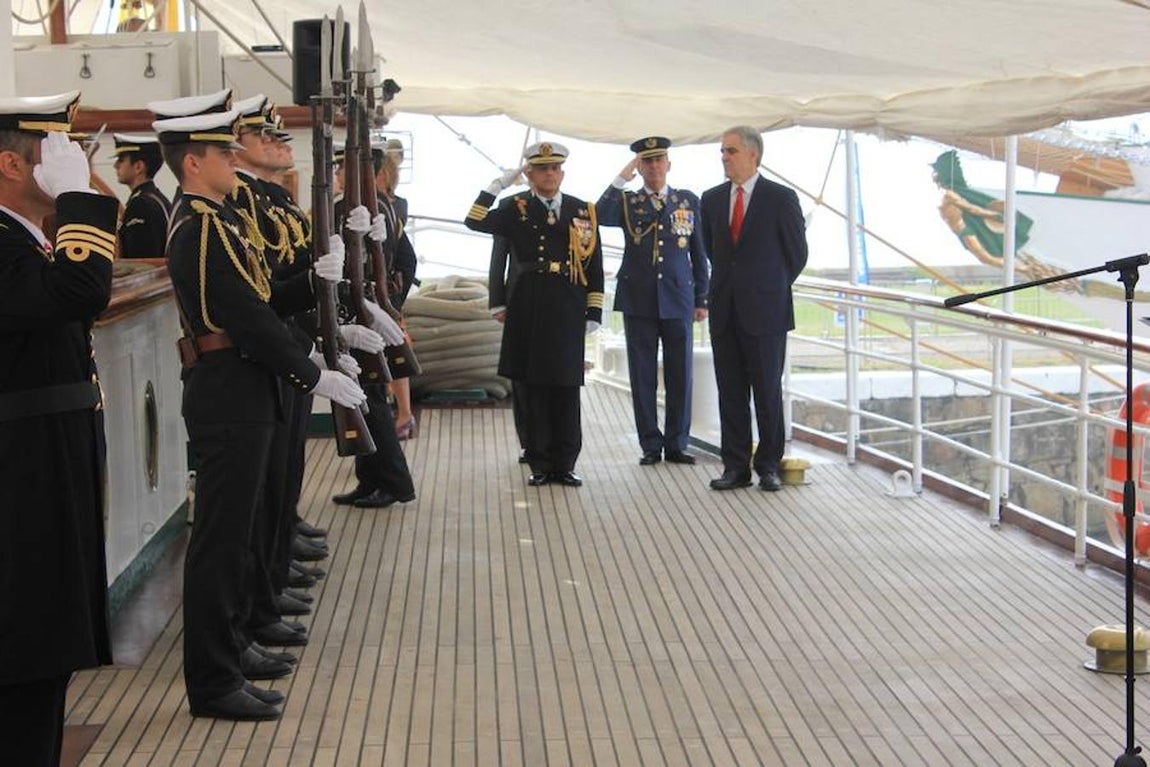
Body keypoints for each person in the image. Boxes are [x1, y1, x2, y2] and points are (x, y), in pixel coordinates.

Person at [158, 105, 366, 721]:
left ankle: (236, 643)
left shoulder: (220, 219)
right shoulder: (197, 226)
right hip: (228, 389)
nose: (235, 160)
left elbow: (265, 295)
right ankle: (213, 680)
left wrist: (312, 282)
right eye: (224, 154)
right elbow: (243, 318)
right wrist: (312, 369)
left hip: (248, 388)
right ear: (194, 162)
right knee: (221, 542)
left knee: (245, 530)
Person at [0, 91, 119, 767]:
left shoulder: (24, 240)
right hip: (17, 478)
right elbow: (78, 293)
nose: (72, 163)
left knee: (43, 659)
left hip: (40, 467)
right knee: (23, 657)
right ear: (13, 166)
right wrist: (80, 199)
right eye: (56, 152)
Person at [465, 141, 604, 486]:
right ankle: (539, 461)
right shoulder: (516, 207)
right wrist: (496, 186)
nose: (550, 174)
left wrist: (594, 310)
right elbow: (474, 220)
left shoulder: (582, 210)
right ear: (529, 174)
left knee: (566, 386)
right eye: (542, 169)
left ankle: (565, 461)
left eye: (555, 168)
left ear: (563, 172)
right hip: (528, 303)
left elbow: (594, 264)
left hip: (567, 304)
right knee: (533, 387)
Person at [700, 126, 808, 492]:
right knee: (730, 391)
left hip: (766, 312)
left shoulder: (780, 198)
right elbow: (713, 251)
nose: (724, 157)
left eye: (730, 151)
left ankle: (769, 466)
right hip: (725, 310)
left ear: (753, 155)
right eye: (722, 151)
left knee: (766, 391)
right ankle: (735, 467)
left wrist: (767, 286)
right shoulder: (711, 199)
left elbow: (797, 255)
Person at [597, 136, 709, 466]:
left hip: (678, 297)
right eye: (647, 161)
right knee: (642, 374)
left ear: (668, 164)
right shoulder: (629, 202)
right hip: (639, 299)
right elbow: (600, 213)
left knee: (680, 374)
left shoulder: (686, 201)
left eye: (659, 160)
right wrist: (621, 179)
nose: (654, 166)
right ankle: (650, 443)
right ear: (640, 167)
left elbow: (699, 254)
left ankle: (677, 443)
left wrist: (702, 297)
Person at [488, 234, 532, 462]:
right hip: (519, 300)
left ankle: (555, 444)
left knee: (556, 377)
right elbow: (499, 258)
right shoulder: (513, 207)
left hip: (560, 302)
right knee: (521, 373)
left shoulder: (573, 209)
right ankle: (528, 442)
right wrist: (497, 301)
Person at [111, 133, 172, 258]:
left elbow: (139, 261)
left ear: (138, 166)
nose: (115, 165)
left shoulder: (141, 204)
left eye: (121, 160)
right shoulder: (154, 197)